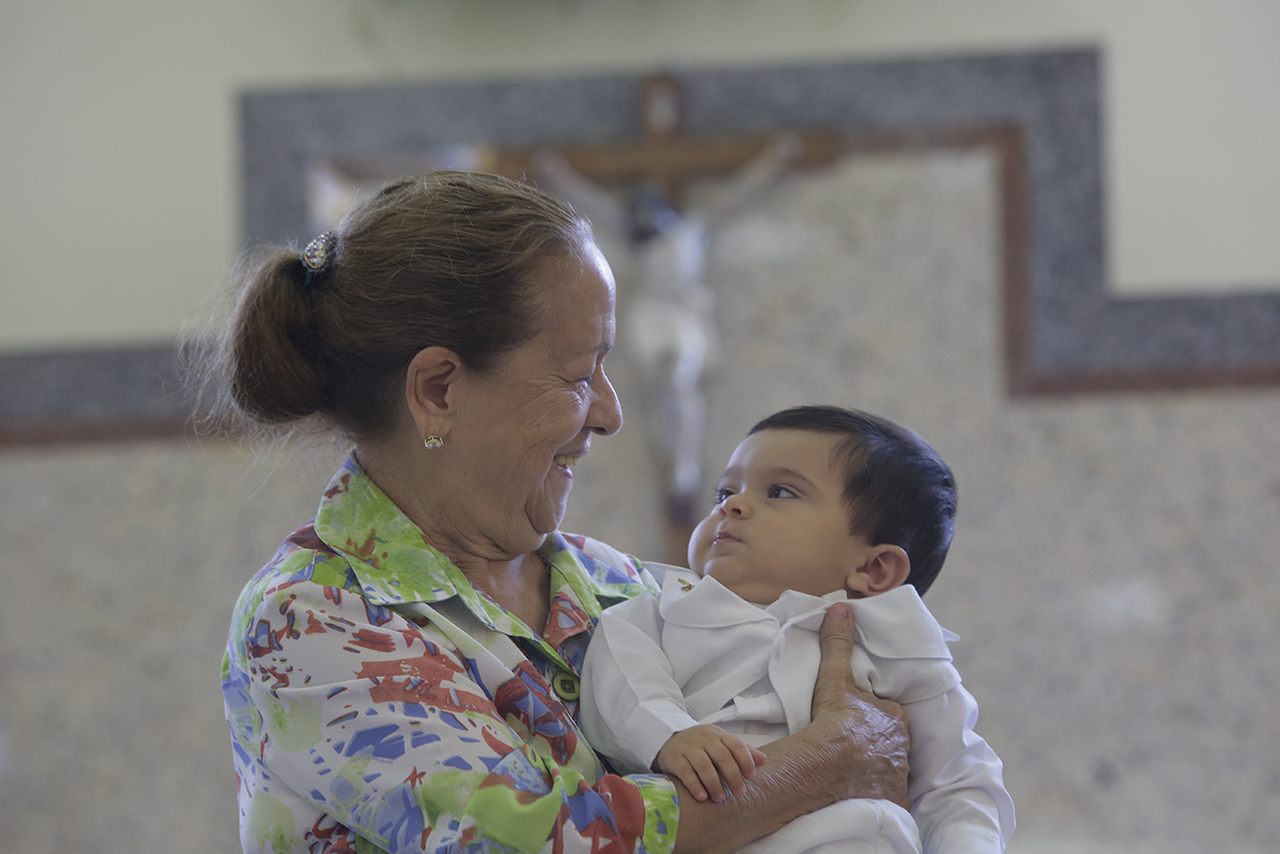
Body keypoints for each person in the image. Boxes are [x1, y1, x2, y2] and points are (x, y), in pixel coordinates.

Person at [193, 171, 914, 854]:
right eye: (577, 374)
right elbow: (530, 838)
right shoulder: (311, 616)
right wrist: (819, 767)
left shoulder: (616, 583)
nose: (610, 413)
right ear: (440, 389)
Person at [580, 406, 1015, 854]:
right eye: (725, 491)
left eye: (780, 491)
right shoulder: (659, 613)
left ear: (874, 567)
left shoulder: (899, 647)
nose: (733, 504)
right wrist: (670, 736)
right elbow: (621, 685)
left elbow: (958, 781)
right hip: (723, 831)